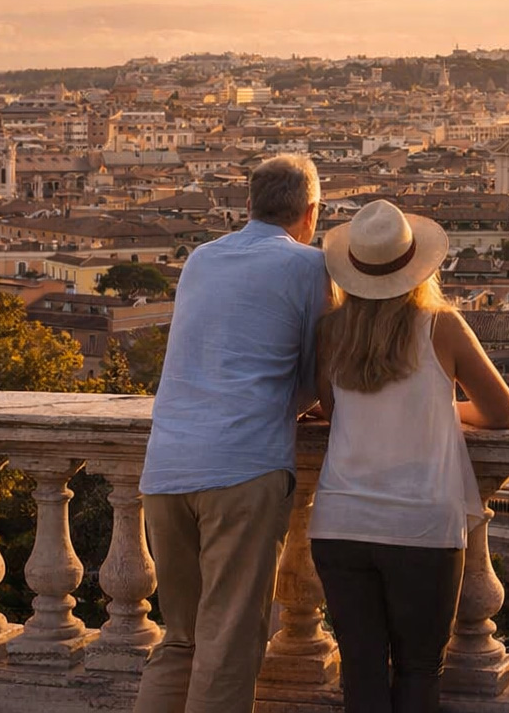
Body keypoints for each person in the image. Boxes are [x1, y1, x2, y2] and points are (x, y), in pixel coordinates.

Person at [135, 155, 330, 713]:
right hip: (243, 469)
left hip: (166, 469)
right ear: (310, 212)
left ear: (248, 205)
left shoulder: (201, 258)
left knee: (182, 638)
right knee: (228, 645)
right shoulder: (309, 268)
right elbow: (319, 375)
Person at [310, 199, 509, 713]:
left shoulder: (331, 331)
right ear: (416, 265)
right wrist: (445, 408)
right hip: (421, 525)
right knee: (419, 670)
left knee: (360, 671)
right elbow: (500, 412)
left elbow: (335, 410)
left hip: (339, 523)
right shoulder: (439, 325)